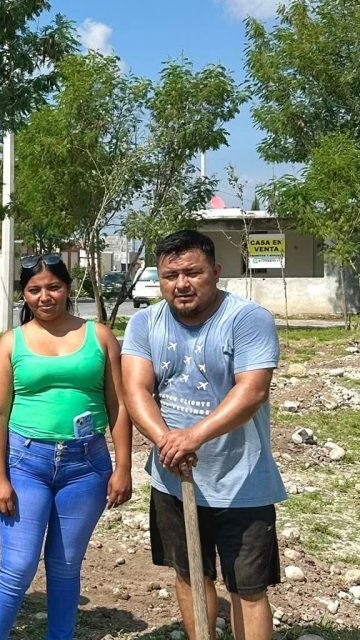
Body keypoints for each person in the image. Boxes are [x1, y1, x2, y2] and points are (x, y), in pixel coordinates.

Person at [121, 230, 284, 640]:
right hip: (173, 478)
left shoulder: (247, 318)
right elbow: (135, 388)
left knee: (247, 587)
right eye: (169, 275)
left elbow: (252, 391)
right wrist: (165, 440)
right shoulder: (145, 323)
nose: (181, 284)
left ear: (215, 271)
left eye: (192, 272)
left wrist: (192, 436)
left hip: (240, 480)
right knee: (191, 573)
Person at [0, 255, 133, 640]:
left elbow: (119, 405)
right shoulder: (10, 344)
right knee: (18, 565)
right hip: (25, 464)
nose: (45, 296)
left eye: (53, 287)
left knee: (65, 567)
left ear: (68, 288)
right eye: (34, 290)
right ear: (24, 295)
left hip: (86, 466)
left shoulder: (99, 336)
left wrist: (123, 467)